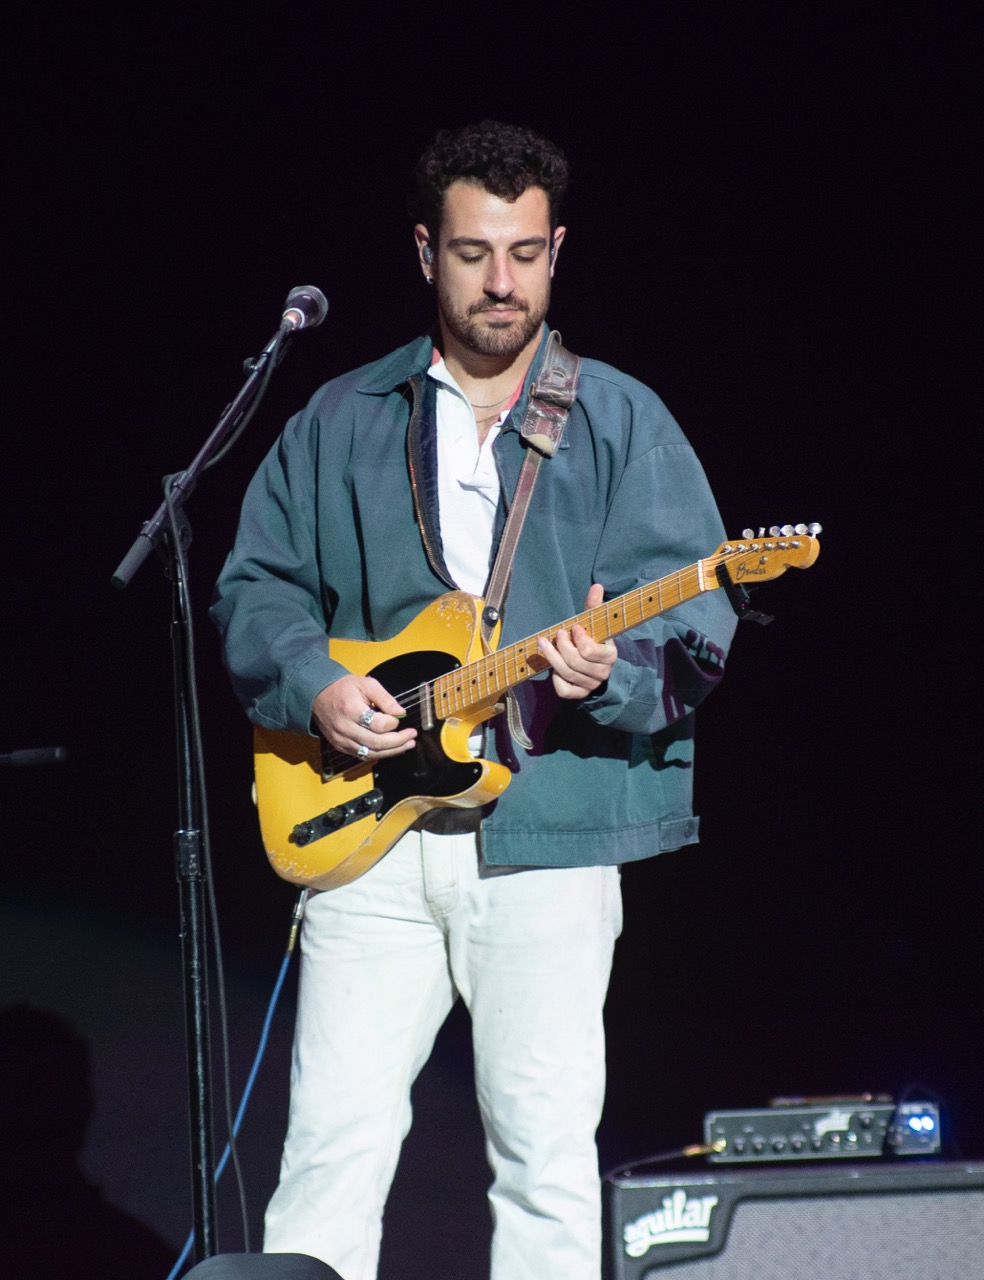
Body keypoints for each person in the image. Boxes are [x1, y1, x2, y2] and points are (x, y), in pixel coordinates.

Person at [211, 120, 738, 1280]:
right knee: (326, 1160)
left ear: (558, 251)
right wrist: (318, 684)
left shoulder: (622, 420)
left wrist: (614, 673)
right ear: (424, 252)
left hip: (548, 837)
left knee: (546, 1168)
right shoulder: (341, 416)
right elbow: (254, 586)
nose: (503, 281)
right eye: (472, 252)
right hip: (365, 836)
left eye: (526, 253)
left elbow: (698, 619)